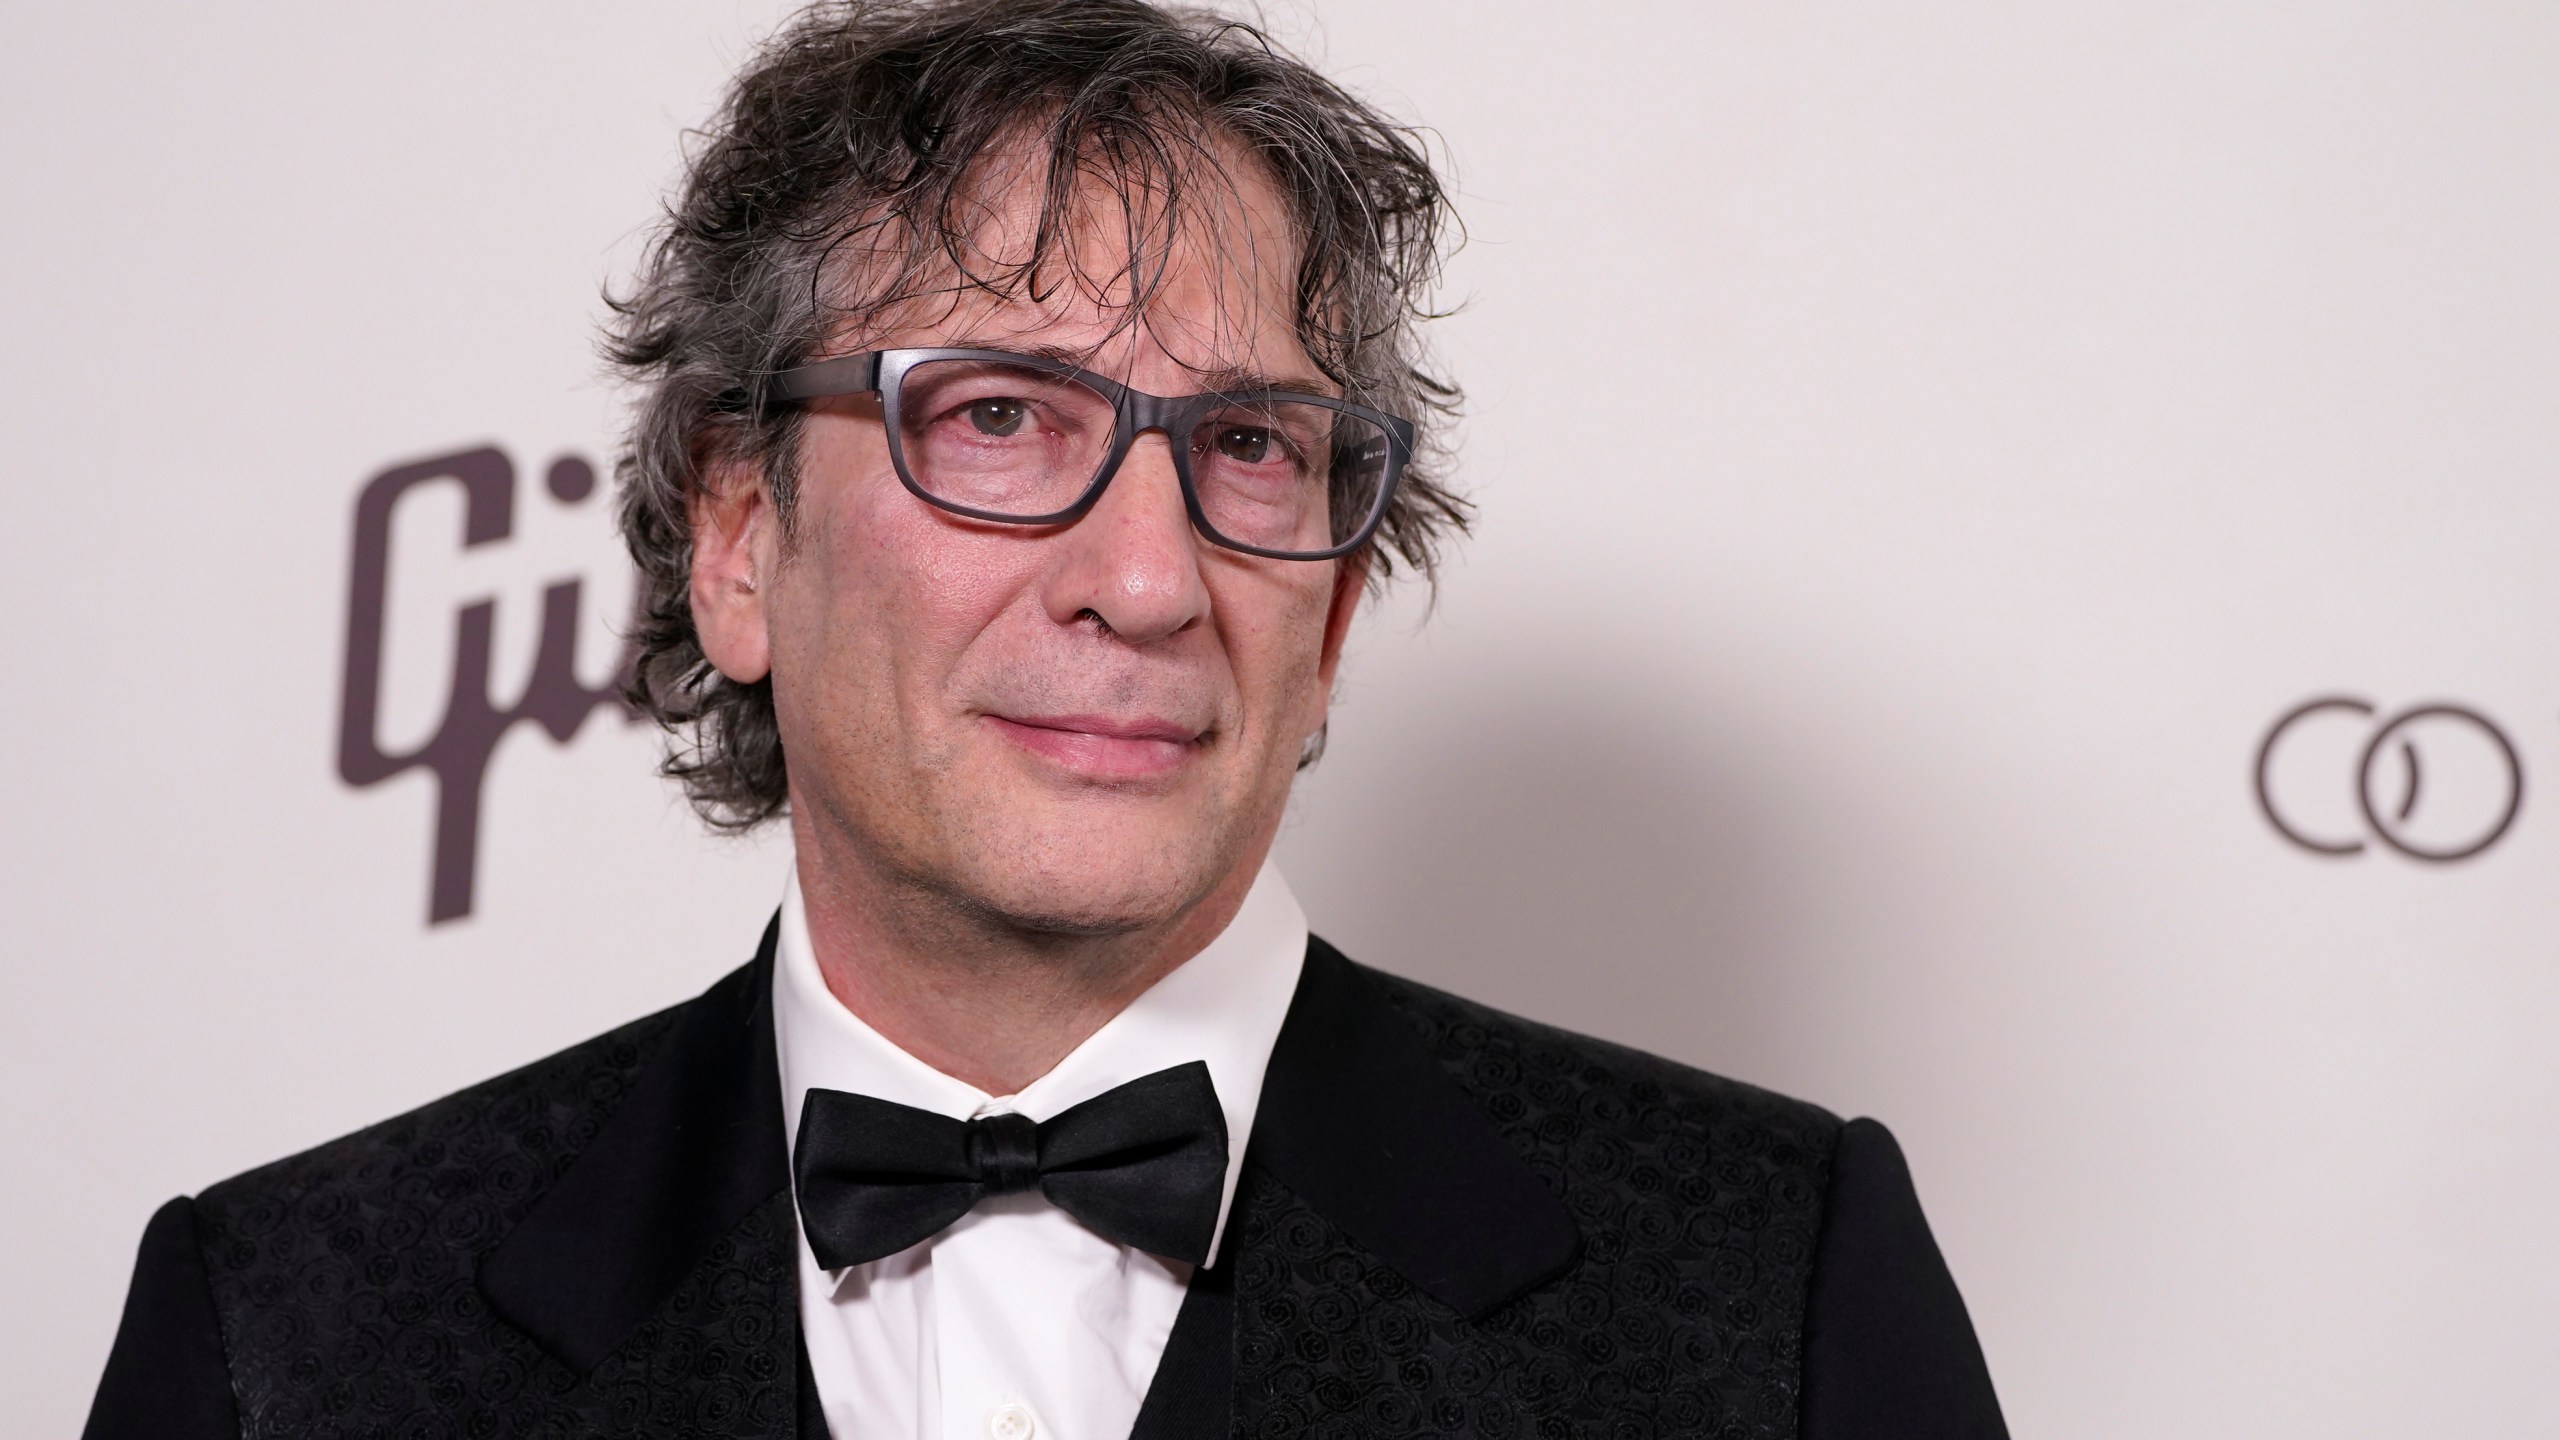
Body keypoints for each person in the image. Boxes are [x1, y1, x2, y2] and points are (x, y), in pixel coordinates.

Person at [84, 2, 2007, 1435]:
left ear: (1334, 605)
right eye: (1001, 416)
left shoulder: (1774, 1289)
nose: (1150, 580)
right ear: (740, 539)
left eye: (1250, 447)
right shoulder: (286, 1335)